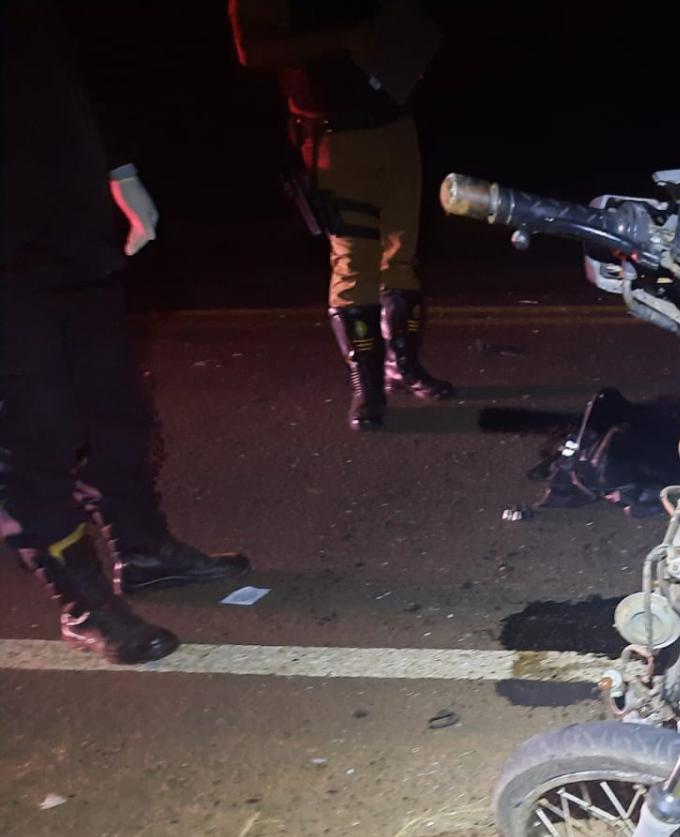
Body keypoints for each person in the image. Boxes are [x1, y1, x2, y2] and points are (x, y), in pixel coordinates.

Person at [0, 1, 250, 664]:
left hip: (69, 220)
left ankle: (143, 550)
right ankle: (83, 602)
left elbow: (63, 62)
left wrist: (120, 168)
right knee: (32, 433)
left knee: (116, 409)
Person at [229, 0, 453, 431]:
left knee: (402, 256)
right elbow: (252, 50)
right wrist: (343, 37)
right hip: (333, 132)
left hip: (395, 123)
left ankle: (402, 367)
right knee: (354, 260)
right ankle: (367, 387)